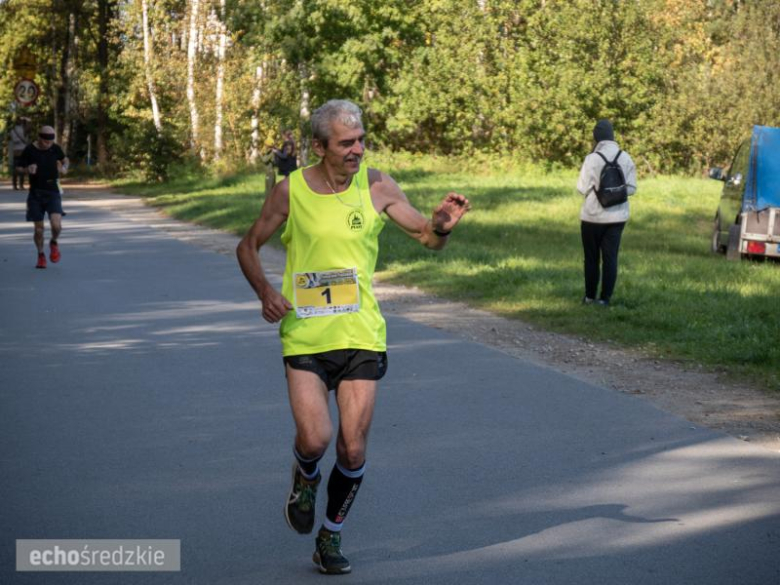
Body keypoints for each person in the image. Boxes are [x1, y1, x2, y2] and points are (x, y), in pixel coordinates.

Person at [236, 99, 470, 575]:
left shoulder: (377, 184)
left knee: (354, 448)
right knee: (317, 437)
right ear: (319, 147)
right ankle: (304, 475)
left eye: (361, 140)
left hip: (361, 332)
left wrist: (442, 227)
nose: (357, 150)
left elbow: (426, 236)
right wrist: (264, 291)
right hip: (305, 333)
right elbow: (247, 246)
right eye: (346, 143)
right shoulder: (291, 190)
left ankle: (330, 535)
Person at [576, 119, 637, 306]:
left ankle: (589, 297)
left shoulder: (591, 159)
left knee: (592, 258)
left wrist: (597, 192)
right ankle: (605, 299)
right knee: (611, 258)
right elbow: (632, 188)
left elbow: (581, 188)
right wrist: (614, 193)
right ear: (612, 136)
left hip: (592, 217)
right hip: (617, 217)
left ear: (596, 138)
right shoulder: (625, 157)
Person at [17, 125, 69, 269]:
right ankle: (40, 255)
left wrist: (64, 168)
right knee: (39, 229)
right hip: (36, 193)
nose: (48, 144)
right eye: (46, 141)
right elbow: (18, 168)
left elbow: (65, 160)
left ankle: (53, 242)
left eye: (51, 141)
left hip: (53, 191)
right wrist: (27, 169)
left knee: (56, 225)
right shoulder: (29, 150)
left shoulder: (55, 148)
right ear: (39, 137)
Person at [9, 118, 29, 190]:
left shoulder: (14, 130)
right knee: (20, 168)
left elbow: (14, 140)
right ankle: (18, 185)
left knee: (18, 168)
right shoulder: (17, 130)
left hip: (18, 151)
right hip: (20, 150)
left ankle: (18, 185)